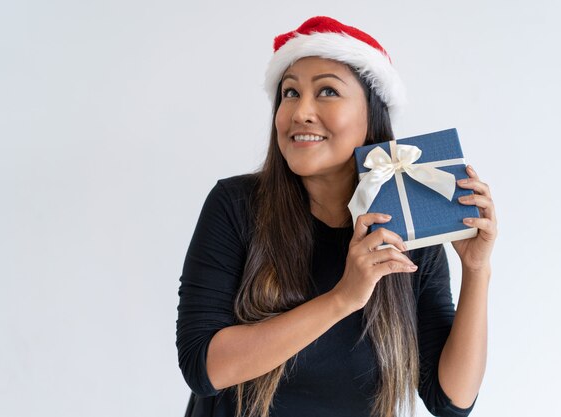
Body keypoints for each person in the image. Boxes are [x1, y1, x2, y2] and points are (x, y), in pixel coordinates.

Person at [176, 16, 497, 417]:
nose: (300, 112)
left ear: (371, 114)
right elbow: (204, 367)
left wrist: (477, 268)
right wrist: (344, 297)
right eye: (289, 93)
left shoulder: (409, 225)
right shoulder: (236, 205)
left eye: (327, 91)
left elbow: (451, 400)